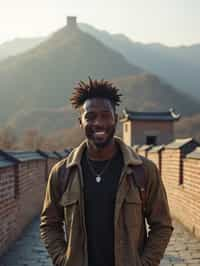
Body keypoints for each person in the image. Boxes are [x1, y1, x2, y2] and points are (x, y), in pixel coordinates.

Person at [40, 78, 173, 266]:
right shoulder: (62, 173)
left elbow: (162, 225)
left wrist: (146, 263)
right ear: (81, 122)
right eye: (90, 116)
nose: (98, 123)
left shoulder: (143, 170)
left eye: (105, 115)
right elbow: (49, 224)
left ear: (116, 119)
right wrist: (63, 260)